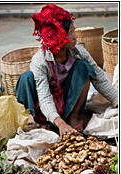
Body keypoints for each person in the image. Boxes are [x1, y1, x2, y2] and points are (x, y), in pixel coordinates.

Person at [16, 3, 118, 139]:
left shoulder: (79, 52)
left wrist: (118, 100)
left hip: (68, 101)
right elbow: (44, 97)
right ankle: (45, 122)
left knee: (83, 67)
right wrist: (59, 123)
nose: (76, 36)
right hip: (45, 104)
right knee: (26, 78)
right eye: (71, 33)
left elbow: (99, 78)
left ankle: (73, 117)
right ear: (58, 37)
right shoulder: (40, 61)